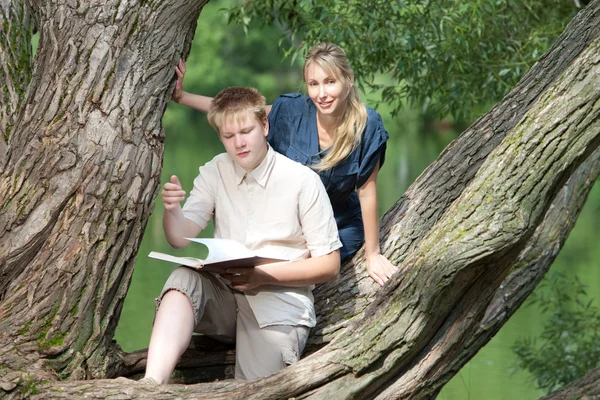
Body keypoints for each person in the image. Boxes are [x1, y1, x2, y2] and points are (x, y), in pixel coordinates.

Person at [143, 87, 341, 384]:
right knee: (182, 279)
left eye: (246, 131)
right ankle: (150, 385)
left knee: (252, 390)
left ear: (264, 125)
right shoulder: (215, 171)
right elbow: (180, 239)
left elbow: (329, 265)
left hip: (278, 306)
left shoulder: (302, 181)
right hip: (227, 298)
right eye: (228, 136)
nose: (239, 143)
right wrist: (172, 210)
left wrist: (263, 276)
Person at [171, 43, 397, 286]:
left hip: (338, 225)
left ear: (348, 80)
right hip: (288, 225)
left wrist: (373, 254)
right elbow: (240, 115)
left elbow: (367, 192)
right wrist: (183, 97)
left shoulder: (367, 125)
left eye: (330, 81)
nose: (322, 93)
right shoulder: (292, 112)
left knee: (304, 264)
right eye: (313, 84)